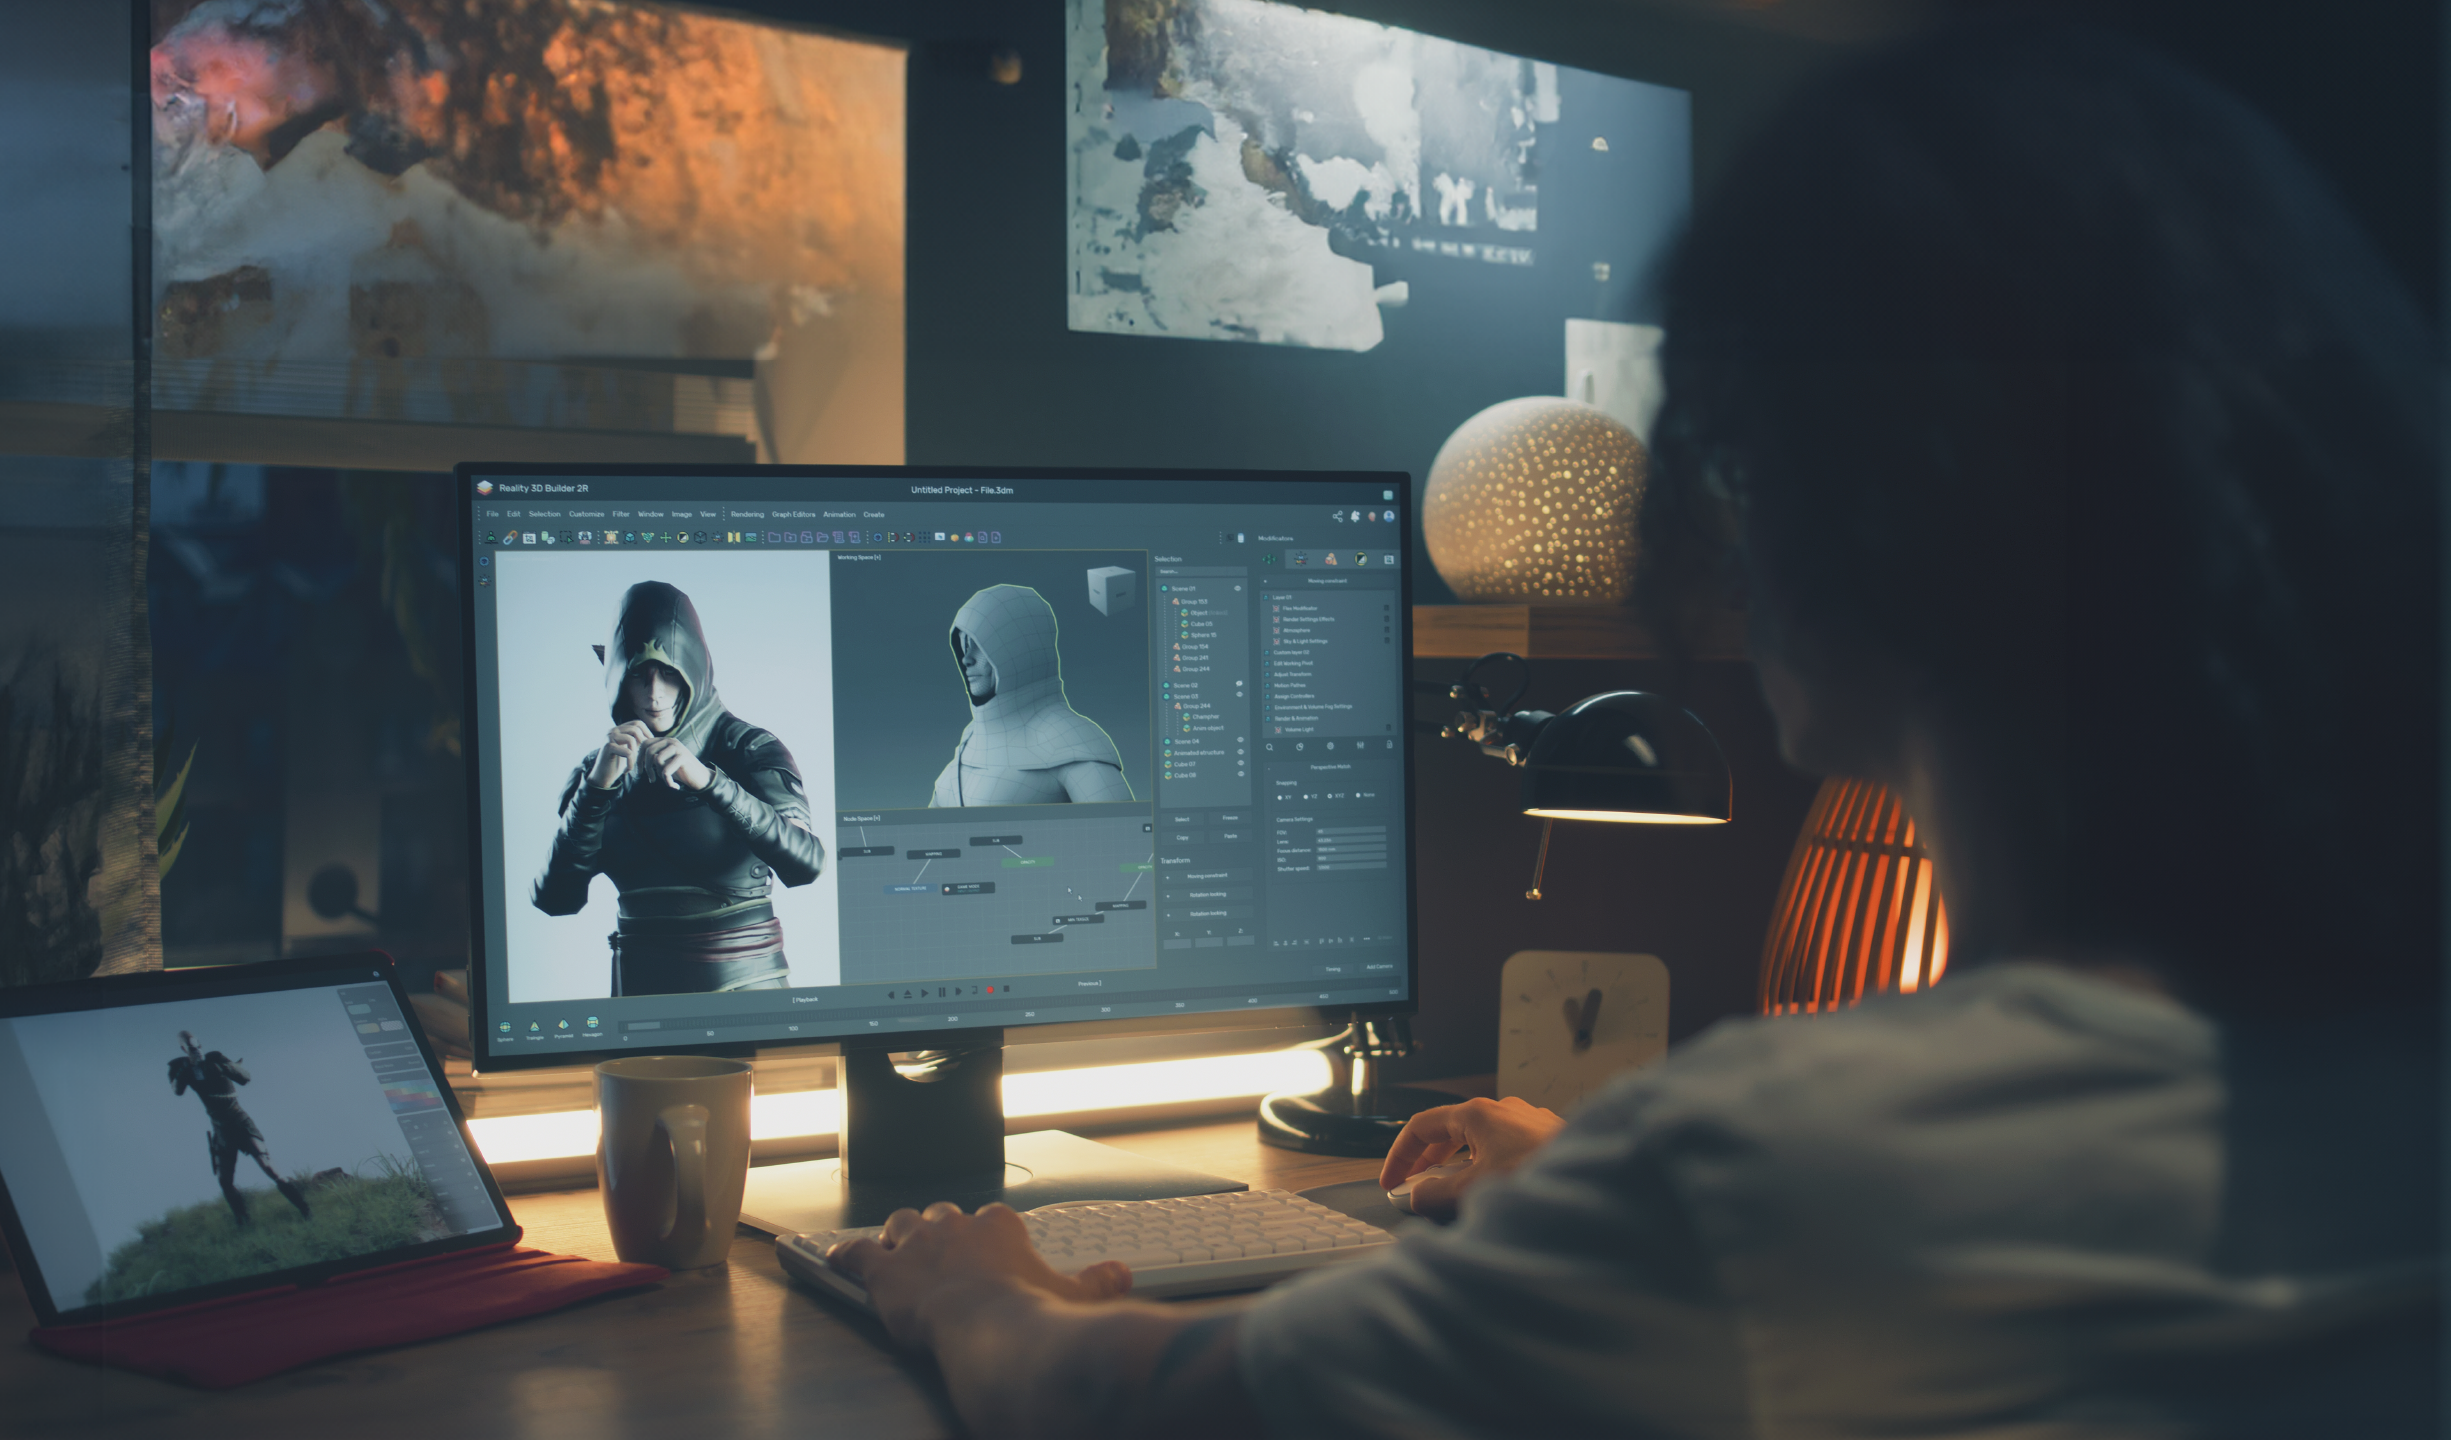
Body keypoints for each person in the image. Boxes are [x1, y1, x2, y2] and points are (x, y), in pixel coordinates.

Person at [829, 22, 2440, 1438]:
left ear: (1863, 513)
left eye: (1730, 444)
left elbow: (1123, 1403)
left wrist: (972, 1290)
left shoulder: (1778, 1174)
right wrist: (1594, 1203)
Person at [533, 580, 827, 995]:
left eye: (669, 674)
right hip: (639, 1003)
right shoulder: (595, 772)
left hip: (746, 996)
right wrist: (596, 790)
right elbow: (556, 899)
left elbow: (807, 863)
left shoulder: (747, 748)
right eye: (639, 675)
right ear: (617, 677)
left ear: (694, 669)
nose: (654, 695)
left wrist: (710, 783)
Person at [930, 584, 1132, 805]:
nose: (966, 659)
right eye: (964, 646)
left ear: (1014, 650)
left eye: (978, 645)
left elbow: (1122, 832)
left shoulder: (1069, 739)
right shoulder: (970, 740)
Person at [167, 1030, 311, 1228]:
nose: (196, 1050)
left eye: (197, 1046)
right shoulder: (181, 1067)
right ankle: (243, 1221)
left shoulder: (215, 1058)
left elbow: (244, 1078)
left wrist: (223, 1066)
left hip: (240, 1120)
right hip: (221, 1128)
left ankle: (305, 1209)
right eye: (190, 1048)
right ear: (184, 1048)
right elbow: (177, 1090)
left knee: (269, 1167)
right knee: (225, 1181)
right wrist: (187, 1067)